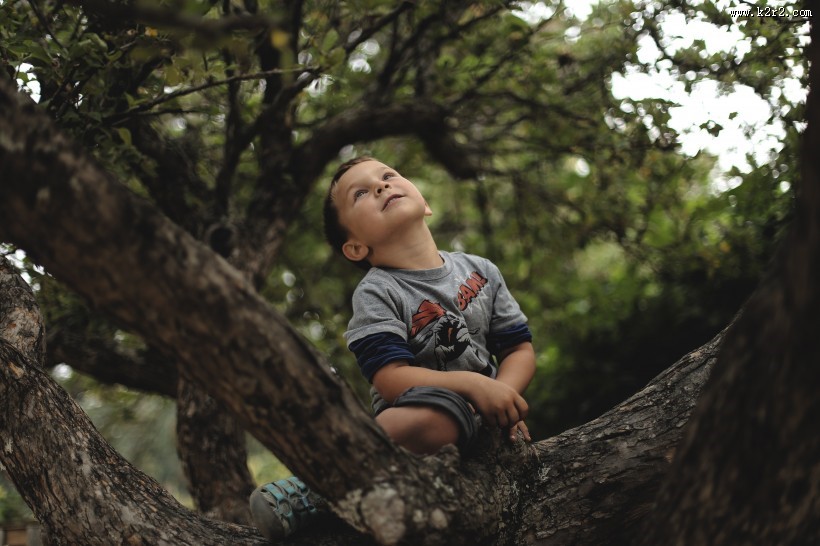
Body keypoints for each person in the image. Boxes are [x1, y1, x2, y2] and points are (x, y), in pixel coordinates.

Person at [250, 156, 536, 540]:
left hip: (481, 422)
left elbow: (518, 347)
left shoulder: (480, 269)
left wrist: (503, 396)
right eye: (362, 193)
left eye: (388, 176)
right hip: (414, 421)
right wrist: (475, 385)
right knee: (439, 416)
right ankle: (322, 486)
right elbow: (390, 379)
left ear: (425, 203)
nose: (382, 186)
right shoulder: (378, 291)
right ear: (354, 247)